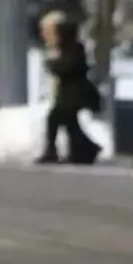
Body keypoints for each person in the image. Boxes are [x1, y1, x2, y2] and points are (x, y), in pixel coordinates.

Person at [37, 12, 101, 165]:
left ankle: (54, 152)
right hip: (70, 94)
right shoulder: (67, 47)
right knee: (70, 124)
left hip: (75, 94)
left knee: (55, 119)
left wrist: (53, 64)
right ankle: (85, 150)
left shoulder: (73, 47)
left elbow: (67, 67)